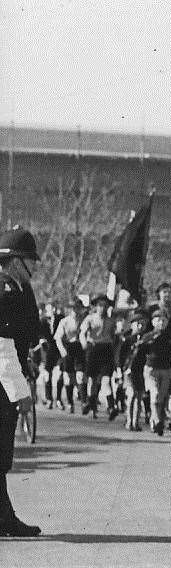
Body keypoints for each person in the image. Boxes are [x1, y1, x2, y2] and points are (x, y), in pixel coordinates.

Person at [0, 228, 44, 536]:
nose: (35, 267)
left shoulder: (15, 288)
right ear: (16, 261)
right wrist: (20, 392)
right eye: (31, 260)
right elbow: (2, 345)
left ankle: (4, 517)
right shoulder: (5, 291)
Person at [137, 297, 171, 435]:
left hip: (166, 369)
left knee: (161, 397)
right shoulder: (148, 336)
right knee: (155, 393)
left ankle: (156, 420)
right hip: (151, 369)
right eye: (158, 320)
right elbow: (139, 351)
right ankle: (157, 419)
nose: (161, 322)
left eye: (163, 320)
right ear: (152, 322)